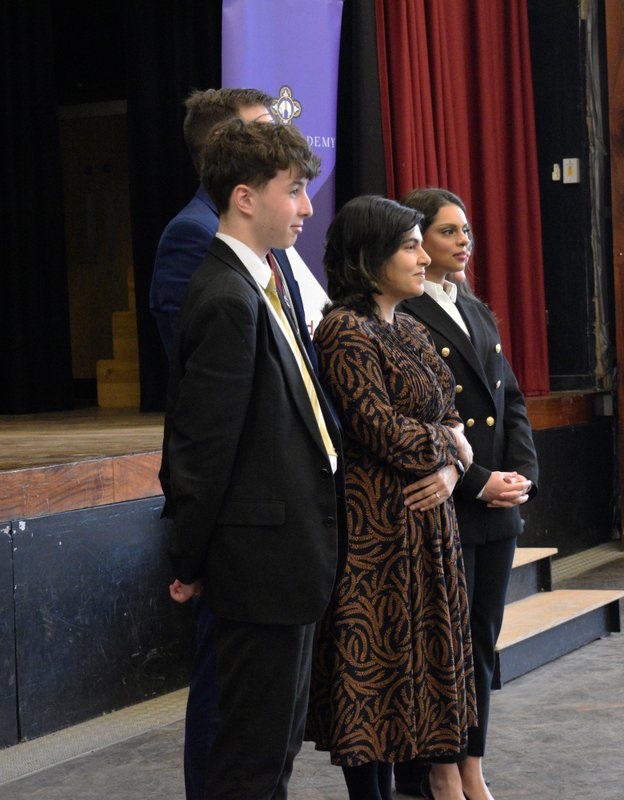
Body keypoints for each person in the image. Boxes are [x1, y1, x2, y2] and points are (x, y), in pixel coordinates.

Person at [149, 87, 330, 800]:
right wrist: (191, 557)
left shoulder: (259, 277)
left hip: (287, 554)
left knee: (268, 756)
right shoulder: (222, 286)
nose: (308, 208)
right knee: (244, 762)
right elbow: (205, 439)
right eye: (296, 190)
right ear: (246, 196)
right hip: (255, 556)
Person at [305, 195, 476, 800]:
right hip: (376, 534)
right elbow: (378, 429)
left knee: (414, 681)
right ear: (369, 257)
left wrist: (453, 467)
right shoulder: (344, 330)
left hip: (428, 529)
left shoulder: (406, 325)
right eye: (409, 245)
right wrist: (449, 445)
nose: (423, 256)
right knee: (372, 681)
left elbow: (451, 413)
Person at [396, 188, 539, 800]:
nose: (464, 243)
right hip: (450, 503)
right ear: (418, 242)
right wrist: (481, 481)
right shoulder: (403, 316)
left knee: (479, 641)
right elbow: (427, 419)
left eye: (467, 232)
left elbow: (511, 402)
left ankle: (472, 762)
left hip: (495, 506)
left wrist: (522, 477)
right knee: (442, 648)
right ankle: (440, 769)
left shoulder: (476, 310)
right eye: (450, 232)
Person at [149, 87, 327, 361]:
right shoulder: (191, 234)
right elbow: (207, 363)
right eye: (261, 132)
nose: (275, 141)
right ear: (223, 143)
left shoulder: (268, 227)